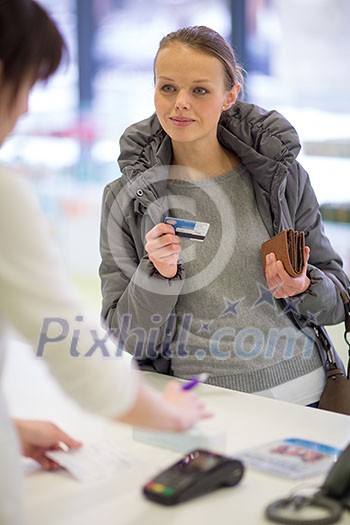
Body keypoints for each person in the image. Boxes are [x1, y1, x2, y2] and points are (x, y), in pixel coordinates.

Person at [0, 4, 209, 524]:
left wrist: (10, 429)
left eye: (199, 89)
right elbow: (79, 351)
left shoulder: (281, 182)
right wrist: (172, 415)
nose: (25, 108)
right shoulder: (12, 197)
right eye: (26, 83)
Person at [100, 25, 350, 406]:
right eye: (167, 87)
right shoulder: (124, 200)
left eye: (199, 90)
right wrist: (157, 275)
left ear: (230, 95)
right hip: (202, 408)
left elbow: (338, 298)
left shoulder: (282, 178)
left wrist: (304, 285)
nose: (180, 102)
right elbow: (129, 338)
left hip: (308, 399)